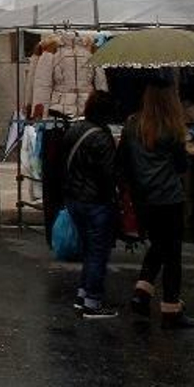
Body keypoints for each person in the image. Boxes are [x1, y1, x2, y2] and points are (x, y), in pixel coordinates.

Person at [121, 78, 194, 329]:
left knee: (159, 245)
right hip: (169, 199)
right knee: (172, 253)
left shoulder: (132, 125)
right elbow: (181, 166)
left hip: (144, 200)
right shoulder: (172, 128)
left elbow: (124, 161)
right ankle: (171, 308)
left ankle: (142, 293)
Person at [64, 91, 122, 319]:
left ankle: (83, 294)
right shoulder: (102, 137)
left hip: (74, 198)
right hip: (96, 201)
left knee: (89, 249)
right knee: (98, 251)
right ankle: (92, 301)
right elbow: (108, 174)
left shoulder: (74, 130)